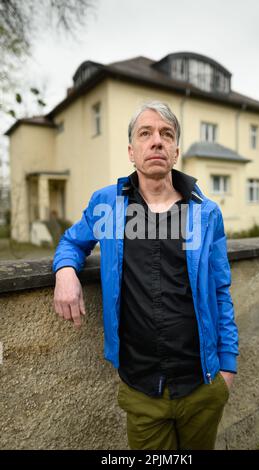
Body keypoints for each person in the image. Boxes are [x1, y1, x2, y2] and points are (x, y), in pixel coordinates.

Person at [53, 101, 239, 450]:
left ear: (176, 151)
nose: (157, 141)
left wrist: (227, 368)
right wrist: (65, 271)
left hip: (203, 384)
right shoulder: (107, 204)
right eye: (146, 133)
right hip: (141, 388)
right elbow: (71, 242)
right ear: (131, 150)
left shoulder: (206, 213)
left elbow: (220, 290)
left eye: (166, 134)